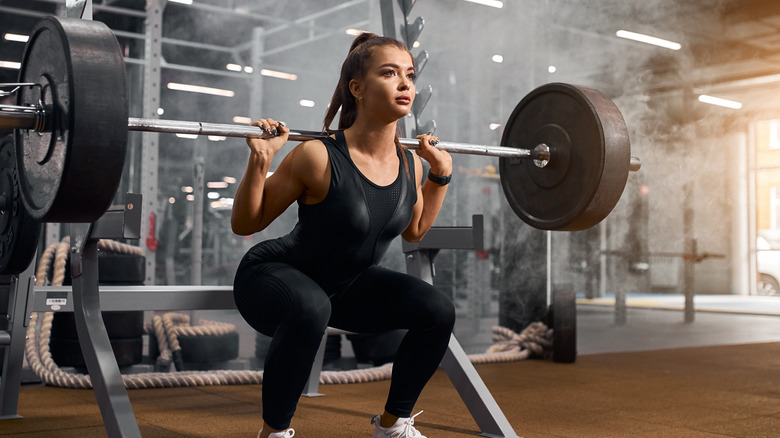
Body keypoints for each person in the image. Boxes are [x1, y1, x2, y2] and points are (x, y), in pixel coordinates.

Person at [232, 32, 454, 438]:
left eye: (409, 74)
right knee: (310, 306)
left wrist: (439, 175)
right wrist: (260, 161)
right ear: (358, 88)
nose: (405, 84)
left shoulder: (411, 166)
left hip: (344, 289)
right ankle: (274, 432)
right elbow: (246, 224)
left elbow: (416, 230)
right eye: (389, 73)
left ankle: (392, 425)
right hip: (271, 277)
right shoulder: (318, 155)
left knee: (437, 310)